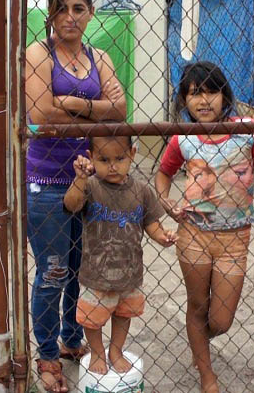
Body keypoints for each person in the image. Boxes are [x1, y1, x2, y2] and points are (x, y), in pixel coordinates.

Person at [154, 61, 254, 393]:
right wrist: (166, 201)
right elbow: (164, 173)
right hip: (193, 236)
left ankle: (198, 340)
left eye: (212, 91)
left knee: (220, 321)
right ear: (184, 100)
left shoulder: (247, 130)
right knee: (197, 305)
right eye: (195, 94)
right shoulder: (184, 137)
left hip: (235, 241)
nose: (204, 101)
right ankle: (206, 375)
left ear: (225, 96)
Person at [25, 0, 126, 393]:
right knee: (52, 270)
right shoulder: (38, 53)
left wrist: (76, 104)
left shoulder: (98, 56)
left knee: (78, 267)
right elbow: (40, 114)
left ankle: (70, 339)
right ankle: (46, 354)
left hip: (89, 179)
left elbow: (120, 109)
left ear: (90, 13)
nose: (69, 16)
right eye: (61, 8)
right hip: (46, 180)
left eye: (78, 8)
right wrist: (94, 113)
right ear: (50, 13)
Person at [63, 135, 178, 375]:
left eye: (120, 158)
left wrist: (162, 236)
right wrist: (79, 179)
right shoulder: (91, 186)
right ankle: (96, 351)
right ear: (91, 157)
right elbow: (71, 204)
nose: (113, 165)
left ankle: (115, 350)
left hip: (130, 272)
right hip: (96, 273)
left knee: (124, 315)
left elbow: (151, 223)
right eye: (104, 159)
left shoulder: (141, 191)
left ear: (133, 154)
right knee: (91, 319)